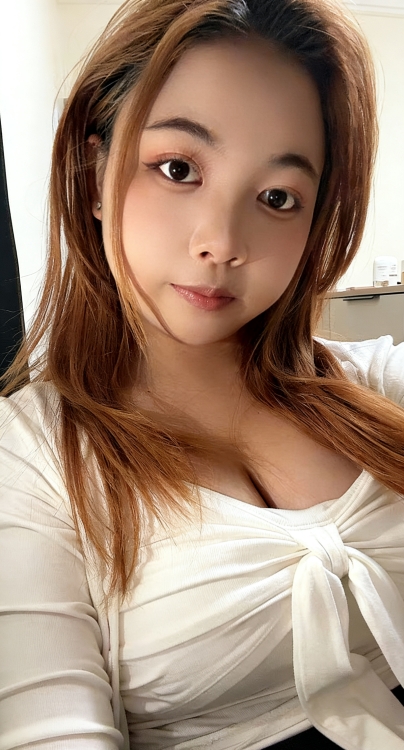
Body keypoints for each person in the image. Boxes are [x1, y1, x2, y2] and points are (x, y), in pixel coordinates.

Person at [1, 0, 404, 747]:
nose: (221, 242)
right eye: (178, 169)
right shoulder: (30, 459)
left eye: (277, 198)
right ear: (93, 177)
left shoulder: (374, 384)